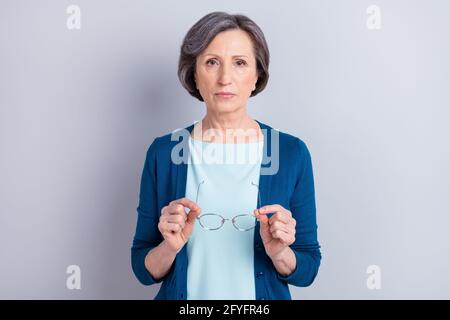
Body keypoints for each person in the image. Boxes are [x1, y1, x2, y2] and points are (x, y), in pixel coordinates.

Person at [131, 11, 321, 300]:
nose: (224, 78)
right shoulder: (165, 152)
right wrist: (169, 247)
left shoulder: (291, 153)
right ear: (194, 73)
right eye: (211, 62)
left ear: (257, 75)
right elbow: (143, 269)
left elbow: (308, 269)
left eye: (240, 63)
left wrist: (280, 252)